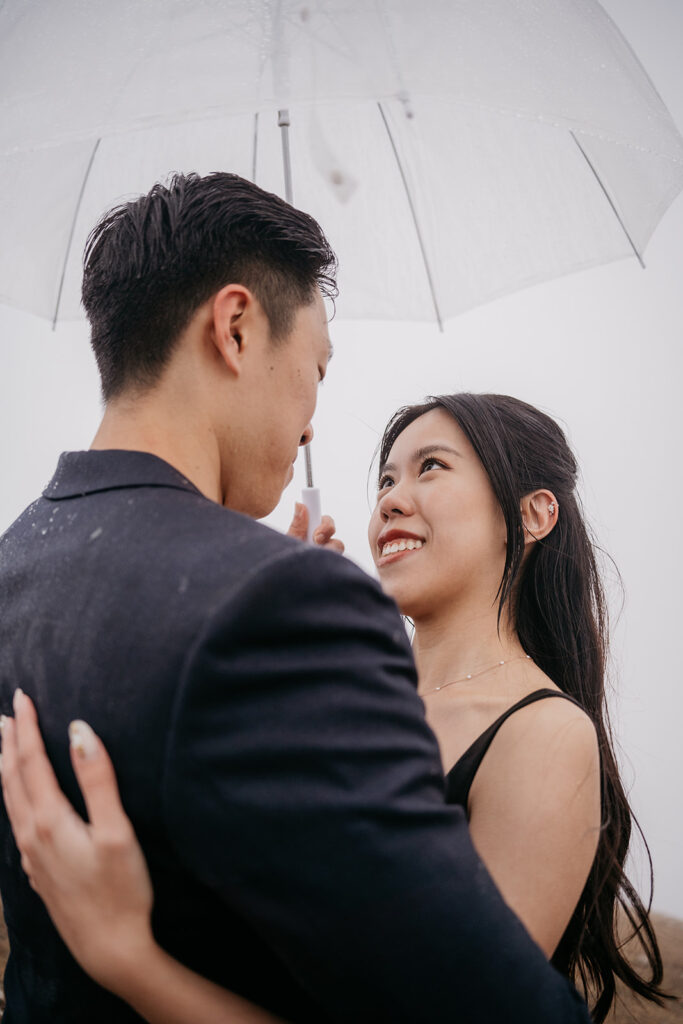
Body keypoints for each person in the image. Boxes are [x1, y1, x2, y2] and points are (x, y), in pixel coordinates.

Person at [0, 172, 591, 1024]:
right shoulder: (281, 606)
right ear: (236, 328)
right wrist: (275, 599)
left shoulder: (20, 559)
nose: (312, 422)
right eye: (315, 367)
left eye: (430, 468)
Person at [1, 386, 667, 1021]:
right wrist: (271, 639)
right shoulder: (333, 688)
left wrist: (127, 958)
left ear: (532, 514)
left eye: (430, 468)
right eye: (385, 480)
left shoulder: (544, 735)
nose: (391, 501)